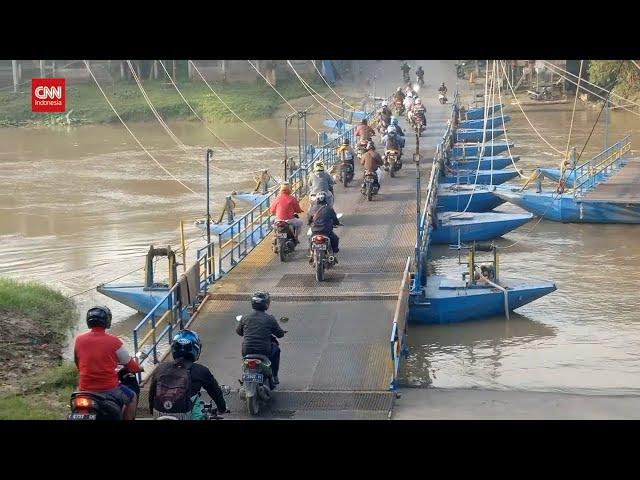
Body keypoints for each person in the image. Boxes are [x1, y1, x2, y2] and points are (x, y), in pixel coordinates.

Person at [73, 306, 143, 420]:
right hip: (109, 389)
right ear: (107, 321)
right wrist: (139, 368)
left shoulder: (79, 339)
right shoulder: (114, 341)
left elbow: (78, 363)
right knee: (132, 397)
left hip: (84, 388)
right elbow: (131, 366)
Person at [148, 329, 228, 420]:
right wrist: (222, 408)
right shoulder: (201, 371)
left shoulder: (160, 368)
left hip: (159, 413)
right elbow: (215, 392)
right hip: (184, 414)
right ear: (196, 349)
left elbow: (152, 393)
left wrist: (152, 411)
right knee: (197, 403)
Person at [236, 292, 286, 385]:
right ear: (266, 304)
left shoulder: (245, 318)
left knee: (244, 345)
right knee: (276, 349)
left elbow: (239, 332)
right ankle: (274, 375)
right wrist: (282, 332)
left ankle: (246, 375)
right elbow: (279, 334)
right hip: (264, 350)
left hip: (247, 350)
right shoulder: (270, 319)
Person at [307, 191, 341, 259]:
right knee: (335, 238)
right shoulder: (329, 209)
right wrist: (337, 223)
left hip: (315, 231)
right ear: (326, 200)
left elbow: (309, 219)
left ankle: (311, 253)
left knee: (310, 239)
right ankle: (333, 254)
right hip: (326, 230)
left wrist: (310, 223)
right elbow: (335, 218)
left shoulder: (311, 209)